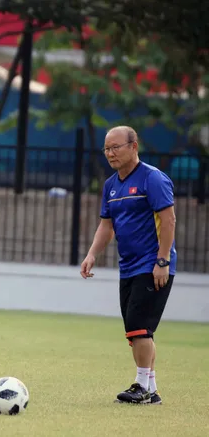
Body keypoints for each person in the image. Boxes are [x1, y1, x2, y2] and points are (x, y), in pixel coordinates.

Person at [80, 126, 176, 405]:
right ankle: (151, 390)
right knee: (137, 332)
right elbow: (106, 226)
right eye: (106, 149)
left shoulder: (153, 179)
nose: (110, 153)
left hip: (153, 264)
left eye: (116, 147)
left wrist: (163, 260)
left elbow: (168, 221)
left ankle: (141, 386)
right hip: (129, 266)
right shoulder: (111, 185)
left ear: (134, 146)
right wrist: (92, 254)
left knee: (138, 325)